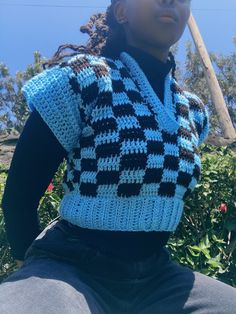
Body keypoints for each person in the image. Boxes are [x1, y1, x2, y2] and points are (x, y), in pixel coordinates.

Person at [0, 0, 235, 313]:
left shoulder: (193, 111)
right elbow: (18, 197)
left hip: (158, 279)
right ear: (122, 12)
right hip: (69, 269)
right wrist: (34, 281)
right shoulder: (83, 79)